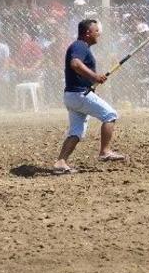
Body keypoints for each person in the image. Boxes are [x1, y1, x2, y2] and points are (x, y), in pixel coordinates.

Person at [53, 19, 125, 173]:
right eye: (96, 31)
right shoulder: (79, 46)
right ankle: (105, 151)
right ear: (88, 33)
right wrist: (94, 76)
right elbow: (75, 64)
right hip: (79, 94)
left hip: (73, 96)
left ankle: (61, 162)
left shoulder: (81, 46)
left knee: (76, 132)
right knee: (110, 114)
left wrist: (93, 79)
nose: (99, 34)